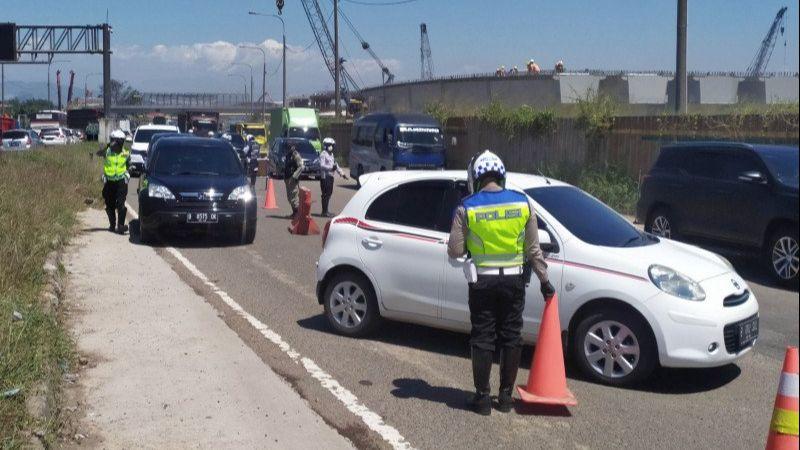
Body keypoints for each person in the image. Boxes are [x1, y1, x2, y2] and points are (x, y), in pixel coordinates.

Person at [447, 150, 554, 416]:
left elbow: (455, 250)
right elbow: (534, 249)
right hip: (514, 282)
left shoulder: (466, 206)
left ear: (477, 177)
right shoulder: (523, 203)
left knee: (482, 337)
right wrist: (545, 281)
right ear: (502, 176)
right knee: (511, 336)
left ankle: (482, 399)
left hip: (482, 283)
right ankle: (505, 398)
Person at [95, 129, 131, 234]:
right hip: (109, 182)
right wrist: (107, 146)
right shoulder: (107, 151)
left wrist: (128, 173)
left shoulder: (125, 152)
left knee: (121, 204)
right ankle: (112, 224)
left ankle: (120, 225)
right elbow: (98, 153)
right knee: (110, 204)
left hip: (121, 181)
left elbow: (129, 164)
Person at [318, 137, 348, 217]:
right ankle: (324, 212)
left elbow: (335, 165)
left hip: (330, 177)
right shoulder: (323, 154)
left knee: (329, 193)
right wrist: (331, 168)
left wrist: (342, 173)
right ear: (326, 145)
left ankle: (326, 211)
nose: (332, 147)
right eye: (331, 145)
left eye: (332, 145)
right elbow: (321, 166)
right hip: (325, 177)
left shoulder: (331, 154)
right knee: (325, 194)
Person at [283, 143, 305, 218]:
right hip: (287, 178)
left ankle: (297, 214)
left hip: (293, 178)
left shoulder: (295, 154)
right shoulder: (288, 155)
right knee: (289, 197)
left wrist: (295, 176)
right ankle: (294, 213)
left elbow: (301, 166)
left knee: (294, 196)